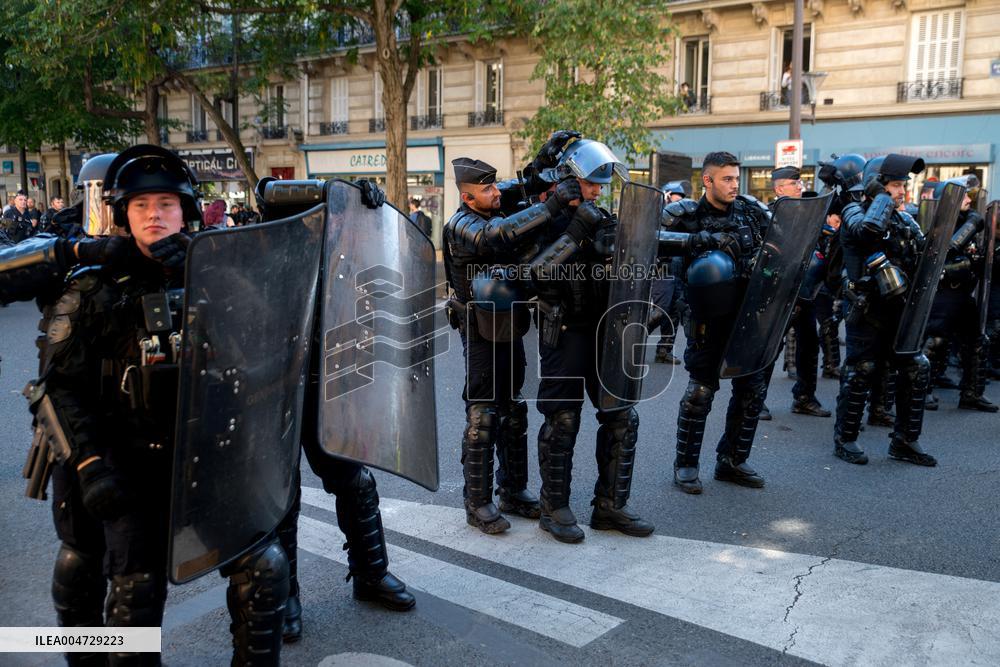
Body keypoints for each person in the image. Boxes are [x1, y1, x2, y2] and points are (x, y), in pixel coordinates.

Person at [26, 144, 290, 665]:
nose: (155, 215)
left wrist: (203, 271)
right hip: (119, 463)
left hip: (199, 455)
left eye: (166, 204)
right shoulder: (93, 287)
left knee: (265, 569)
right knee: (134, 591)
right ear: (123, 212)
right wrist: (91, 465)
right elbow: (55, 390)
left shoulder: (212, 272)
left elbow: (267, 339)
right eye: (142, 205)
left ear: (185, 210)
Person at [442, 156, 577, 534]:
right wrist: (549, 206)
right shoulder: (461, 224)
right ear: (468, 198)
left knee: (513, 408)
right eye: (486, 189)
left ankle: (512, 490)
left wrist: (544, 160)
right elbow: (497, 237)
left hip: (509, 320)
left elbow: (523, 189)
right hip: (478, 326)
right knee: (483, 412)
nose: (495, 191)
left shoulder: (492, 206)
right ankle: (477, 502)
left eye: (494, 185)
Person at [663, 151, 772, 494]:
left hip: (747, 316)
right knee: (700, 393)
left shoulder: (751, 211)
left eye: (736, 178)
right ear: (707, 180)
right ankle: (686, 465)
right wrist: (684, 304)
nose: (734, 185)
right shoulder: (684, 216)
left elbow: (779, 245)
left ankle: (732, 460)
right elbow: (651, 247)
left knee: (751, 390)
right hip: (707, 319)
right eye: (727, 179)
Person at [833, 153, 939, 467]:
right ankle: (845, 438)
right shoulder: (854, 211)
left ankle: (905, 440)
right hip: (868, 310)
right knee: (860, 372)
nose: (902, 189)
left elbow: (923, 254)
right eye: (895, 184)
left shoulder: (904, 218)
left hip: (901, 310)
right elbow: (867, 232)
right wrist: (879, 194)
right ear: (877, 183)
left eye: (903, 183)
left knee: (915, 368)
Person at [923, 179, 997, 413]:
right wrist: (973, 224)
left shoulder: (970, 219)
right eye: (964, 196)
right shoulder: (940, 220)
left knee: (976, 341)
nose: (968, 200)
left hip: (964, 291)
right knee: (935, 341)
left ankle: (972, 393)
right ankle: (920, 391)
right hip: (945, 291)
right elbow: (946, 250)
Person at [770, 166, 830, 418]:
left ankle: (804, 397)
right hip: (778, 292)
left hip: (803, 292)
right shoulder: (771, 214)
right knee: (771, 347)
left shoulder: (806, 212)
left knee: (809, 344)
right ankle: (754, 399)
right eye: (794, 184)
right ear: (779, 188)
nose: (800, 187)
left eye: (800, 183)